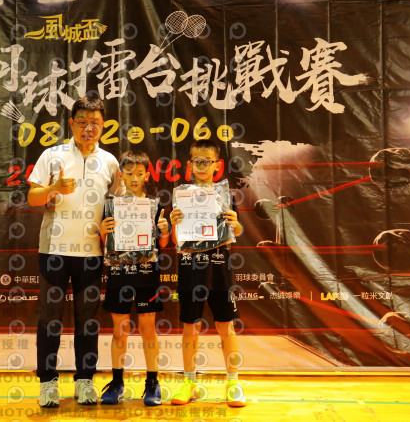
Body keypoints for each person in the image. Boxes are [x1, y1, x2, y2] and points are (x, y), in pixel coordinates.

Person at [27, 96, 124, 407]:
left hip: (92, 253)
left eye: (95, 123)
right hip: (54, 250)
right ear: (71, 123)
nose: (88, 128)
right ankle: (47, 383)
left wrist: (110, 228)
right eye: (82, 122)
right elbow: (32, 198)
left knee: (88, 321)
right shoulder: (52, 155)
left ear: (104, 126)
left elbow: (119, 206)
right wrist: (53, 189)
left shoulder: (110, 162)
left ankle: (85, 381)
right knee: (50, 319)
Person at [169, 139, 246, 407]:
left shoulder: (225, 196)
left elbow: (236, 232)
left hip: (219, 266)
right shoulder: (182, 195)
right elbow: (175, 241)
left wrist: (236, 224)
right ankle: (189, 382)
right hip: (190, 267)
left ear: (217, 165)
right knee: (190, 326)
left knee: (226, 325)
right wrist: (174, 224)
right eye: (197, 161)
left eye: (207, 161)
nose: (202, 166)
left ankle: (233, 382)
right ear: (190, 165)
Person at [98, 151, 169, 406]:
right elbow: (106, 243)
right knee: (120, 331)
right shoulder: (111, 205)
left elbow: (163, 244)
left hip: (147, 274)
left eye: (140, 173)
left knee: (148, 329)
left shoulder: (154, 205)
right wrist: (103, 231)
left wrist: (164, 231)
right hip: (119, 273)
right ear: (121, 175)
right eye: (129, 173)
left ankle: (152, 382)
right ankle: (117, 382)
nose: (135, 178)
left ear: (147, 175)